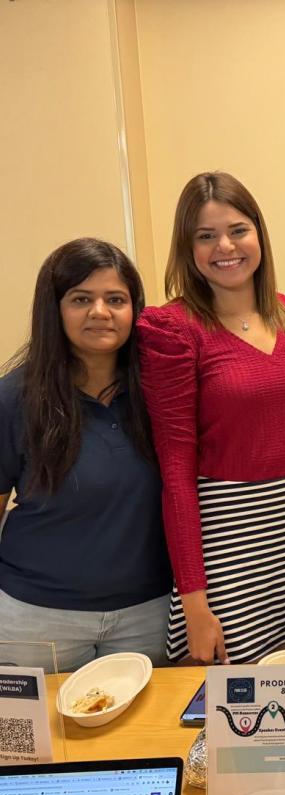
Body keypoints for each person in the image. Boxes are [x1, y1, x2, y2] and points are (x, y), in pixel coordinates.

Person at [137, 172, 285, 665]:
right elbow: (176, 475)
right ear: (188, 248)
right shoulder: (174, 330)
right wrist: (195, 605)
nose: (225, 246)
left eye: (238, 229)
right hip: (228, 545)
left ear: (259, 234)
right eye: (205, 236)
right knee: (233, 710)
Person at [0, 239, 173, 672]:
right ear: (54, 309)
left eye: (116, 299)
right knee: (44, 742)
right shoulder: (14, 398)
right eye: (81, 299)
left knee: (142, 740)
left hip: (148, 615)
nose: (101, 312)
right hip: (37, 620)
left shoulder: (160, 393)